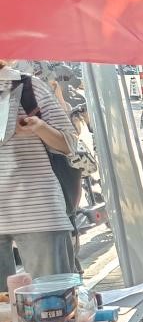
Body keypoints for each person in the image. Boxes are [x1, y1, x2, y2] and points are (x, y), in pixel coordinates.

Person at [0, 59, 77, 281]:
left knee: (52, 297)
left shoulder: (27, 86)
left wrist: (40, 127)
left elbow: (69, 144)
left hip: (38, 211)